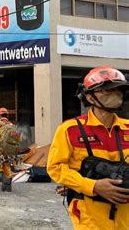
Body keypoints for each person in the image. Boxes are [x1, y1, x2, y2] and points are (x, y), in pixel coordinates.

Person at [47, 66, 129, 229]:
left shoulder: (127, 127)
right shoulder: (70, 129)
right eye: (107, 91)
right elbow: (55, 168)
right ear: (90, 97)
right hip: (89, 216)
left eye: (118, 90)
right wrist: (93, 186)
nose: (115, 94)